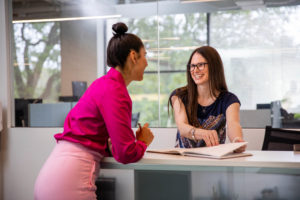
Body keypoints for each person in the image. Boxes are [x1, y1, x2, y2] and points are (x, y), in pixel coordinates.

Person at [34, 22, 154, 200]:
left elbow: (90, 136)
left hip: (54, 175)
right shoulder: (116, 91)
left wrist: (108, 146)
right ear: (133, 56)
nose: (147, 62)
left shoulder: (103, 84)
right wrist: (143, 142)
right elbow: (126, 153)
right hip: (69, 182)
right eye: (145, 55)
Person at [168, 46, 245, 152]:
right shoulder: (179, 96)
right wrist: (201, 133)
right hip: (184, 163)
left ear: (214, 67)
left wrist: (237, 141)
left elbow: (233, 124)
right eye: (192, 66)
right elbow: (182, 127)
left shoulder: (229, 100)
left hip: (214, 164)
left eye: (200, 65)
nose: (195, 70)